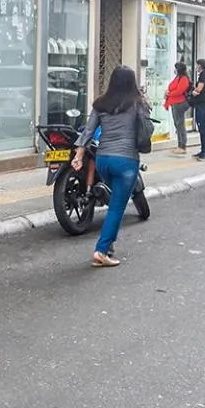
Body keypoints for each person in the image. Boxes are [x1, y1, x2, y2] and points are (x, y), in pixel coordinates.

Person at [72, 65, 146, 268]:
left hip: (103, 160)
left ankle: (109, 245)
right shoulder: (136, 103)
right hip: (126, 161)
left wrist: (79, 155)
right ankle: (102, 250)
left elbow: (87, 131)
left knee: (115, 202)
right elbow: (146, 128)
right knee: (116, 208)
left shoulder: (100, 104)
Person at [164, 61, 192, 154]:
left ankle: (182, 146)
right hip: (174, 103)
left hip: (179, 103)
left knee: (180, 124)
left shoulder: (183, 79)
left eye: (175, 68)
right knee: (177, 124)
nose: (174, 70)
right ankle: (180, 145)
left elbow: (179, 91)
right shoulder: (178, 78)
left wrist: (169, 93)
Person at [191, 58, 205, 161]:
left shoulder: (204, 76)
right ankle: (203, 150)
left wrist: (193, 93)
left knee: (203, 129)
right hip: (202, 104)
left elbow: (199, 89)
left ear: (200, 65)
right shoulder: (204, 75)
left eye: (197, 65)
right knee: (202, 129)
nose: (196, 67)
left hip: (202, 105)